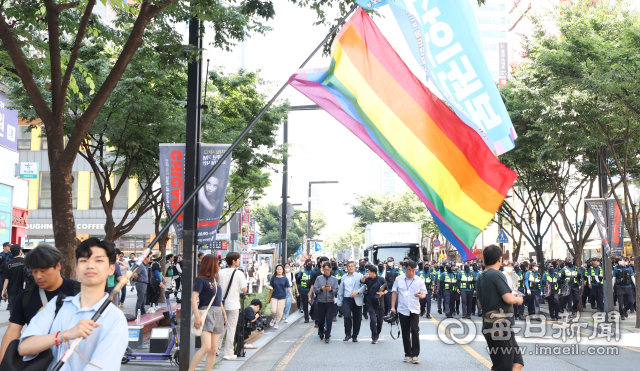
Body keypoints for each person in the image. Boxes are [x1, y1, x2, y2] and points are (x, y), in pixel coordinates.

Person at [17, 237, 128, 371]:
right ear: (76, 268)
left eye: (98, 260)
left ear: (111, 269)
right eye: (84, 260)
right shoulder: (57, 304)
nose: (90, 265)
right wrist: (65, 334)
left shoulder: (115, 319)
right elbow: (25, 347)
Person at [0, 244, 79, 363]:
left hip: (73, 360)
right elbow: (12, 331)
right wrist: (3, 364)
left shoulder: (78, 292)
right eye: (34, 271)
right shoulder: (26, 296)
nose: (38, 276)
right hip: (39, 362)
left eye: (43, 271)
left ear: (58, 265)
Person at [476, 244, 524, 371]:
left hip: (494, 325)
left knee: (517, 363)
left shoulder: (480, 277)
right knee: (503, 367)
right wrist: (519, 300)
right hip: (499, 326)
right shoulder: (496, 274)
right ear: (499, 259)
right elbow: (508, 298)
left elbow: (480, 305)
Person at [189, 254, 226, 371]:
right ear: (211, 264)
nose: (218, 265)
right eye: (216, 263)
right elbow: (193, 298)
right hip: (206, 313)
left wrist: (224, 314)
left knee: (214, 349)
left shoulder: (215, 280)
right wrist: (196, 317)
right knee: (206, 347)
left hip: (218, 314)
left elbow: (218, 299)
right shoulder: (201, 280)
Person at [389, 260, 425, 364]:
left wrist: (420, 296)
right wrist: (392, 307)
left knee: (414, 330)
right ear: (405, 269)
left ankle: (415, 355)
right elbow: (394, 292)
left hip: (414, 309)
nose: (411, 273)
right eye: (409, 270)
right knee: (405, 332)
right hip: (402, 309)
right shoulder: (398, 279)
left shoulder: (419, 280)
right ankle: (408, 354)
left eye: (413, 270)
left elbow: (424, 294)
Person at [218, 252, 248, 360]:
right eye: (238, 259)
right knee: (231, 328)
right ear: (234, 261)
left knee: (221, 327)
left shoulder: (220, 272)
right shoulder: (239, 273)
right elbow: (244, 290)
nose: (239, 261)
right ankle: (228, 353)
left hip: (221, 304)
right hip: (233, 304)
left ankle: (216, 349)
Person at [337, 261, 366, 342]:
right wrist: (339, 300)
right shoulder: (343, 277)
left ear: (355, 267)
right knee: (347, 316)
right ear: (346, 267)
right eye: (349, 266)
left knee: (357, 318)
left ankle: (355, 335)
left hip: (357, 299)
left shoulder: (359, 276)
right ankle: (348, 334)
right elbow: (341, 290)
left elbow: (364, 286)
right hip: (346, 299)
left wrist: (357, 291)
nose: (350, 268)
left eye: (352, 266)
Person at [314, 262, 338, 343]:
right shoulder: (319, 278)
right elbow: (315, 289)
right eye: (325, 270)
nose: (326, 271)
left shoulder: (334, 279)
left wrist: (331, 290)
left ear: (331, 269)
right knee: (320, 320)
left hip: (330, 302)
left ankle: (327, 336)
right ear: (323, 270)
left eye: (328, 270)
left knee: (329, 319)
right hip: (321, 302)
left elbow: (336, 290)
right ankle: (321, 330)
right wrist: (321, 289)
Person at [362, 265, 387, 344]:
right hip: (370, 302)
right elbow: (362, 281)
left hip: (379, 302)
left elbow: (387, 289)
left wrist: (382, 293)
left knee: (380, 321)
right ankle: (374, 337)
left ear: (373, 273)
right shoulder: (368, 279)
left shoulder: (381, 279)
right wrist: (364, 276)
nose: (367, 273)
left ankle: (377, 334)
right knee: (373, 320)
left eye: (368, 272)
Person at [269, 264, 295, 329]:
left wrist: (292, 296)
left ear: (282, 270)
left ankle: (276, 323)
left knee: (280, 312)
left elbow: (288, 287)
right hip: (274, 296)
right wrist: (268, 287)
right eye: (278, 269)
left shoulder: (285, 279)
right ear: (276, 270)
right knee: (273, 311)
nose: (279, 270)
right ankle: (273, 319)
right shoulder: (273, 278)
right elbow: (271, 286)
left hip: (282, 297)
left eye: (280, 269)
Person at [1, 244, 25, 312]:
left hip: (12, 292)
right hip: (23, 291)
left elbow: (6, 280)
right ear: (20, 251)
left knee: (13, 313)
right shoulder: (25, 262)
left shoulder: (8, 264)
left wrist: (3, 291)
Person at [296, 259, 314, 323]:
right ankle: (306, 318)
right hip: (304, 290)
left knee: (313, 304)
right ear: (305, 263)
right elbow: (298, 279)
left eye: (310, 263)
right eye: (308, 263)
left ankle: (312, 314)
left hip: (312, 290)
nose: (309, 264)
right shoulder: (302, 271)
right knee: (305, 305)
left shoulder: (313, 271)